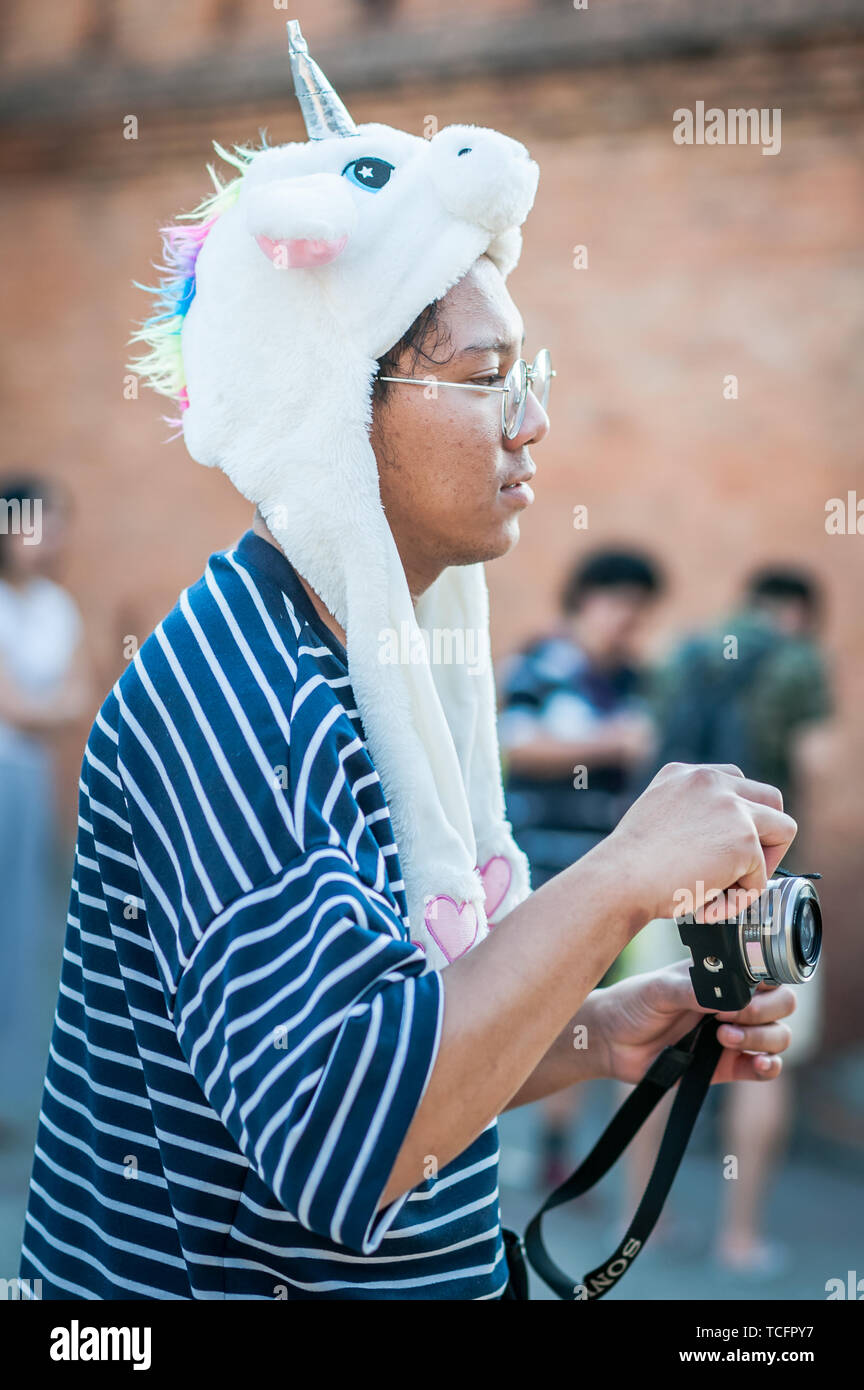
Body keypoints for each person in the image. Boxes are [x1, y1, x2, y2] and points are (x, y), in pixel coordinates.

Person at [19, 24, 798, 1301]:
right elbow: (352, 1138)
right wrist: (619, 879)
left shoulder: (376, 665)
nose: (534, 420)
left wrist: (599, 1032)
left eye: (526, 372)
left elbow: (398, 1032)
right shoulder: (236, 691)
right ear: (339, 402)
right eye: (489, 377)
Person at [624, 566, 833, 1274]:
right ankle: (738, 1238)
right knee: (765, 1054)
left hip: (676, 877)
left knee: (652, 1040)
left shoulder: (688, 651)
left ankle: (640, 1222)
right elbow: (814, 764)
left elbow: (649, 747)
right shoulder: (800, 659)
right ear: (800, 612)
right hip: (766, 888)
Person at [498, 548, 663, 1187]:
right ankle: (469, 1133)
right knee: (521, 1003)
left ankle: (553, 1149)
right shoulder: (537, 665)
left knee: (580, 1003)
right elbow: (515, 745)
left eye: (639, 610)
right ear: (584, 598)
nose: (628, 620)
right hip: (535, 865)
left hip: (605, 871)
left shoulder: (631, 679)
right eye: (618, 603)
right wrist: (611, 742)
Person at [0, 476, 92, 1134]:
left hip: (28, 785)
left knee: (29, 929)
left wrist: (45, 709)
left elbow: (78, 697)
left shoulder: (58, 607)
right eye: (36, 521)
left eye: (55, 522)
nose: (46, 536)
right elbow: (22, 708)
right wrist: (48, 707)